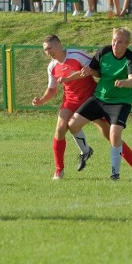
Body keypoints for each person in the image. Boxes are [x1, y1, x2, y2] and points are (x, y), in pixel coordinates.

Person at [67, 27, 132, 180]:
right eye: (113, 40)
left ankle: (115, 174)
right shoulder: (103, 51)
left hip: (120, 102)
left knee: (114, 135)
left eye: (119, 42)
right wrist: (72, 77)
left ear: (126, 44)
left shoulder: (131, 57)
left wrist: (124, 82)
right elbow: (93, 70)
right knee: (72, 124)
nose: (115, 44)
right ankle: (86, 151)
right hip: (99, 98)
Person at [31, 36, 97, 180]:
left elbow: (95, 68)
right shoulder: (52, 66)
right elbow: (52, 89)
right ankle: (59, 170)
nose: (48, 52)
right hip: (70, 100)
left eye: (50, 48)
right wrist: (41, 100)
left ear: (59, 45)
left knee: (108, 131)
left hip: (90, 98)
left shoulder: (76, 55)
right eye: (45, 50)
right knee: (60, 129)